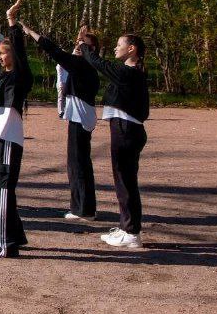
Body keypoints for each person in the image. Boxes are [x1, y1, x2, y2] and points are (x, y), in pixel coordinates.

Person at [21, 23, 101, 221]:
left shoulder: (83, 65)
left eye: (82, 44)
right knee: (79, 163)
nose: (78, 45)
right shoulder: (84, 65)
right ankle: (84, 207)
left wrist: (31, 32)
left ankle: (83, 210)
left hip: (80, 119)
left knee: (77, 164)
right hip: (81, 118)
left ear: (90, 50)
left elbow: (54, 50)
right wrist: (79, 43)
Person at [82, 33, 151, 249]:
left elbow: (99, 64)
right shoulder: (127, 73)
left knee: (125, 181)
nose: (115, 48)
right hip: (125, 129)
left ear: (132, 49)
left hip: (126, 131)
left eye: (119, 44)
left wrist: (85, 48)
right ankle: (127, 227)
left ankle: (131, 232)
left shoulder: (128, 72)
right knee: (124, 181)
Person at [0, 0, 32, 259]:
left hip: (8, 138)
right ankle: (15, 236)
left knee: (1, 189)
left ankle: (3, 244)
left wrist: (12, 22)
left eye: (3, 53)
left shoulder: (20, 76)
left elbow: (21, 55)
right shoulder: (2, 75)